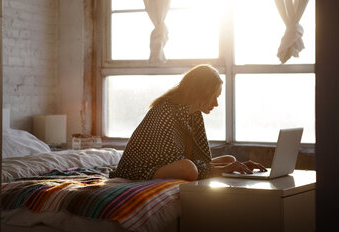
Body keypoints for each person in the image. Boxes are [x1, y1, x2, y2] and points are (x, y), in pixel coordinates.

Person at [109, 64, 266, 181]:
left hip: (173, 164)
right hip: (139, 170)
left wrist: (235, 166)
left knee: (230, 159)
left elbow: (202, 161)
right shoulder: (166, 110)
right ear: (202, 92)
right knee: (189, 169)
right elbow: (176, 161)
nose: (216, 103)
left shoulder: (194, 114)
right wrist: (222, 170)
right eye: (214, 96)